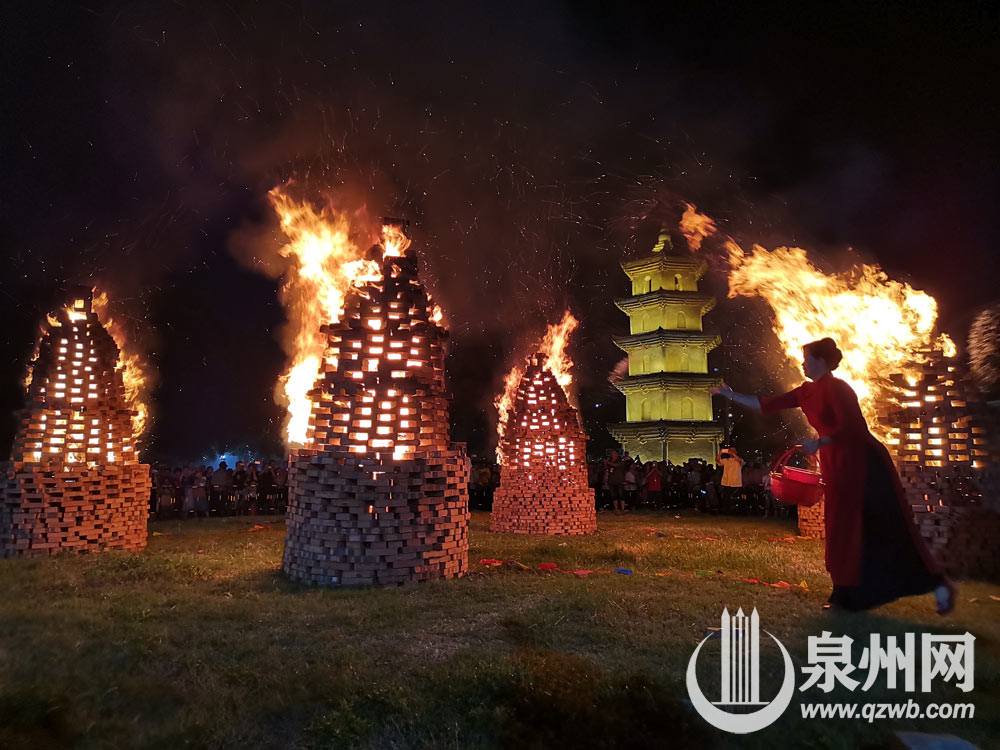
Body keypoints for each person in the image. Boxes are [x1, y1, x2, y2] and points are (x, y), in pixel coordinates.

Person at [712, 337, 956, 614]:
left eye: (807, 358)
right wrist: (730, 394)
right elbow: (766, 404)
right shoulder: (806, 392)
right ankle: (844, 593)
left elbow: (852, 428)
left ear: (822, 361)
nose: (803, 363)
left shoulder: (840, 389)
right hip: (836, 463)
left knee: (884, 525)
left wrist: (820, 442)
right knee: (839, 526)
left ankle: (936, 584)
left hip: (863, 462)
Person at [716, 445, 745, 513]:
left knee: (737, 497)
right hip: (727, 482)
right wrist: (720, 453)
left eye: (733, 450)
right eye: (730, 450)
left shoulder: (739, 460)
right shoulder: (726, 460)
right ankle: (726, 511)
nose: (731, 452)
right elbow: (718, 461)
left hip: (736, 482)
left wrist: (733, 454)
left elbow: (740, 461)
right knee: (726, 498)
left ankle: (738, 511)